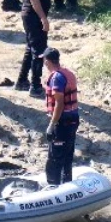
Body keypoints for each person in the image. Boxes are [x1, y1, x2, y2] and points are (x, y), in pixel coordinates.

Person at [15, 0, 52, 96]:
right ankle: (35, 86)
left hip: (29, 14)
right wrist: (43, 18)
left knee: (31, 48)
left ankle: (22, 80)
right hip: (33, 16)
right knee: (39, 51)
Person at [42, 47, 80, 186]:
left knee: (55, 157)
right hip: (73, 120)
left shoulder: (57, 78)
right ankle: (67, 183)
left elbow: (59, 104)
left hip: (62, 122)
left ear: (47, 61)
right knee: (67, 154)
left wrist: (51, 125)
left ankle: (54, 187)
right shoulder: (68, 73)